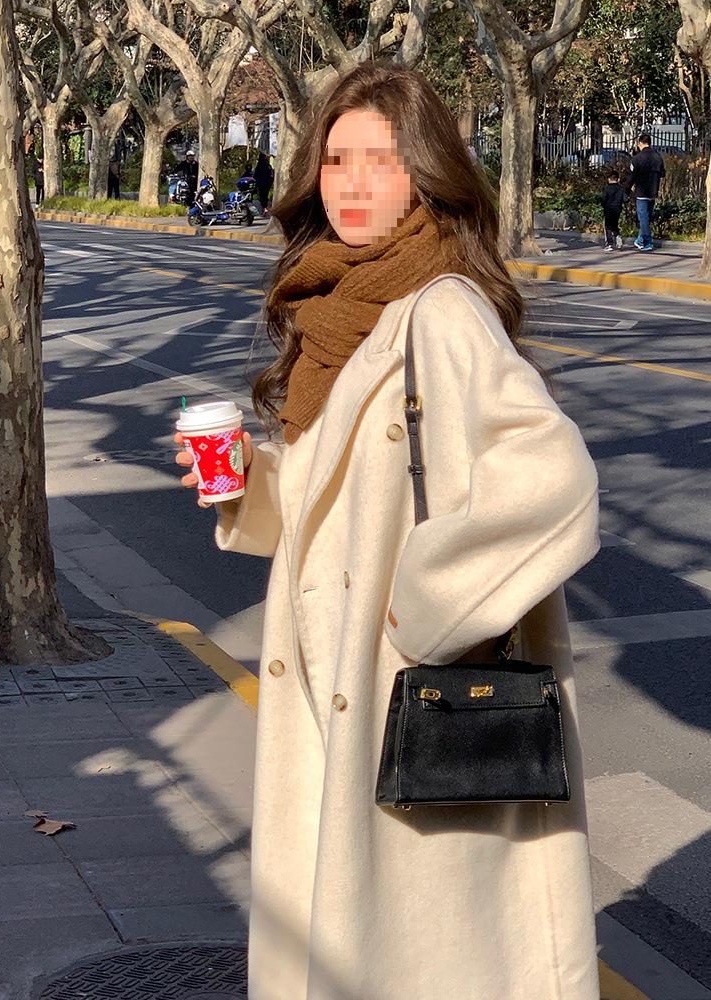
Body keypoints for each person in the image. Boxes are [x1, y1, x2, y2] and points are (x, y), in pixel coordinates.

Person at [174, 61, 601, 1000]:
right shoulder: (340, 312)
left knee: (420, 955)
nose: (353, 182)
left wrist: (422, 614)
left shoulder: (441, 309)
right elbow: (345, 495)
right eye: (336, 159)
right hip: (346, 696)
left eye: (382, 158)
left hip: (411, 697)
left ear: (425, 173)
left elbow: (553, 480)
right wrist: (248, 482)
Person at [624, 132, 665, 252]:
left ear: (640, 143)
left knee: (643, 218)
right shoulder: (658, 157)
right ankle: (640, 240)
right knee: (646, 218)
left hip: (641, 192)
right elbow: (662, 173)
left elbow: (631, 177)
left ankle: (647, 242)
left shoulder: (637, 158)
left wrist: (626, 190)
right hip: (653, 190)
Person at [601, 170, 626, 251]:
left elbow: (603, 199)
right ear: (618, 179)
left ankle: (610, 244)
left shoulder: (606, 188)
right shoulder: (621, 188)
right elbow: (625, 199)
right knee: (615, 225)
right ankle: (618, 238)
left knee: (608, 226)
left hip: (608, 209)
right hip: (617, 209)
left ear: (609, 179)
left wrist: (603, 205)